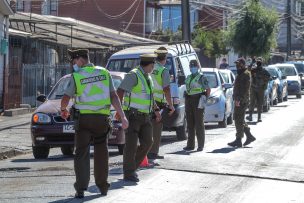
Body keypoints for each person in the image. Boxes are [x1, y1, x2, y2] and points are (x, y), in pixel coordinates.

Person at [60, 49, 128, 198]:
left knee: (81, 153)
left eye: (74, 61)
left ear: (80, 60)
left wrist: (63, 109)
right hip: (101, 120)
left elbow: (66, 97)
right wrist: (122, 116)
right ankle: (103, 187)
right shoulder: (104, 73)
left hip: (83, 120)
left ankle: (80, 188)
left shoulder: (76, 76)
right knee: (102, 153)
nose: (73, 64)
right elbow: (114, 96)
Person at [117, 54, 161, 182]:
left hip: (146, 116)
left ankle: (131, 168)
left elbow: (150, 96)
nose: (154, 68)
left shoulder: (148, 77)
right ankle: (129, 172)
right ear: (150, 65)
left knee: (148, 142)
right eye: (153, 65)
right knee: (130, 145)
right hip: (133, 115)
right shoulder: (133, 75)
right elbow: (120, 92)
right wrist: (120, 112)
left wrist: (156, 109)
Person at [148, 47, 175, 160]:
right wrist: (171, 105)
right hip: (158, 102)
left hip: (148, 101)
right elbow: (166, 89)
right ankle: (153, 152)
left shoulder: (150, 68)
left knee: (148, 128)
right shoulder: (163, 71)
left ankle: (146, 151)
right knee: (157, 129)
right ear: (165, 58)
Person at [183, 59, 210, 151]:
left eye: (194, 66)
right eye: (191, 66)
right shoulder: (188, 77)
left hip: (198, 100)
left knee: (199, 123)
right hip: (189, 100)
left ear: (198, 67)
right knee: (190, 123)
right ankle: (190, 145)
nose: (193, 67)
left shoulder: (202, 77)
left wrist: (204, 99)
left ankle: (200, 145)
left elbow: (208, 90)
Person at [228, 58, 256, 148]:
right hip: (238, 99)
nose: (237, 66)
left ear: (243, 65)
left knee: (238, 119)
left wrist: (239, 100)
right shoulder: (240, 74)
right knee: (239, 119)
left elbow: (245, 89)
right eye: (236, 65)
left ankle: (239, 139)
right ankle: (249, 136)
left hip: (242, 100)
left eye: (239, 65)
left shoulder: (246, 74)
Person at [246, 57, 271, 122]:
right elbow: (248, 69)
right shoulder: (254, 70)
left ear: (261, 64)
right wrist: (252, 62)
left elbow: (269, 77)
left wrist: (264, 82)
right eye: (258, 63)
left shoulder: (264, 71)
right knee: (252, 103)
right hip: (254, 88)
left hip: (260, 89)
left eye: (259, 63)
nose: (258, 64)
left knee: (259, 103)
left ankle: (259, 117)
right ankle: (250, 116)